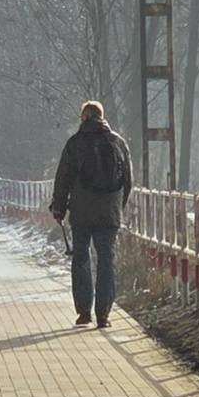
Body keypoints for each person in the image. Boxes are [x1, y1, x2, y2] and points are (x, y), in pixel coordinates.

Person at [50, 100, 132, 329]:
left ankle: (84, 312)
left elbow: (63, 178)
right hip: (109, 213)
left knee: (81, 257)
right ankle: (103, 313)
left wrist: (59, 208)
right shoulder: (118, 142)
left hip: (81, 213)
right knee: (106, 259)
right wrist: (118, 206)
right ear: (102, 117)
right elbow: (128, 180)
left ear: (84, 117)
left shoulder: (75, 143)